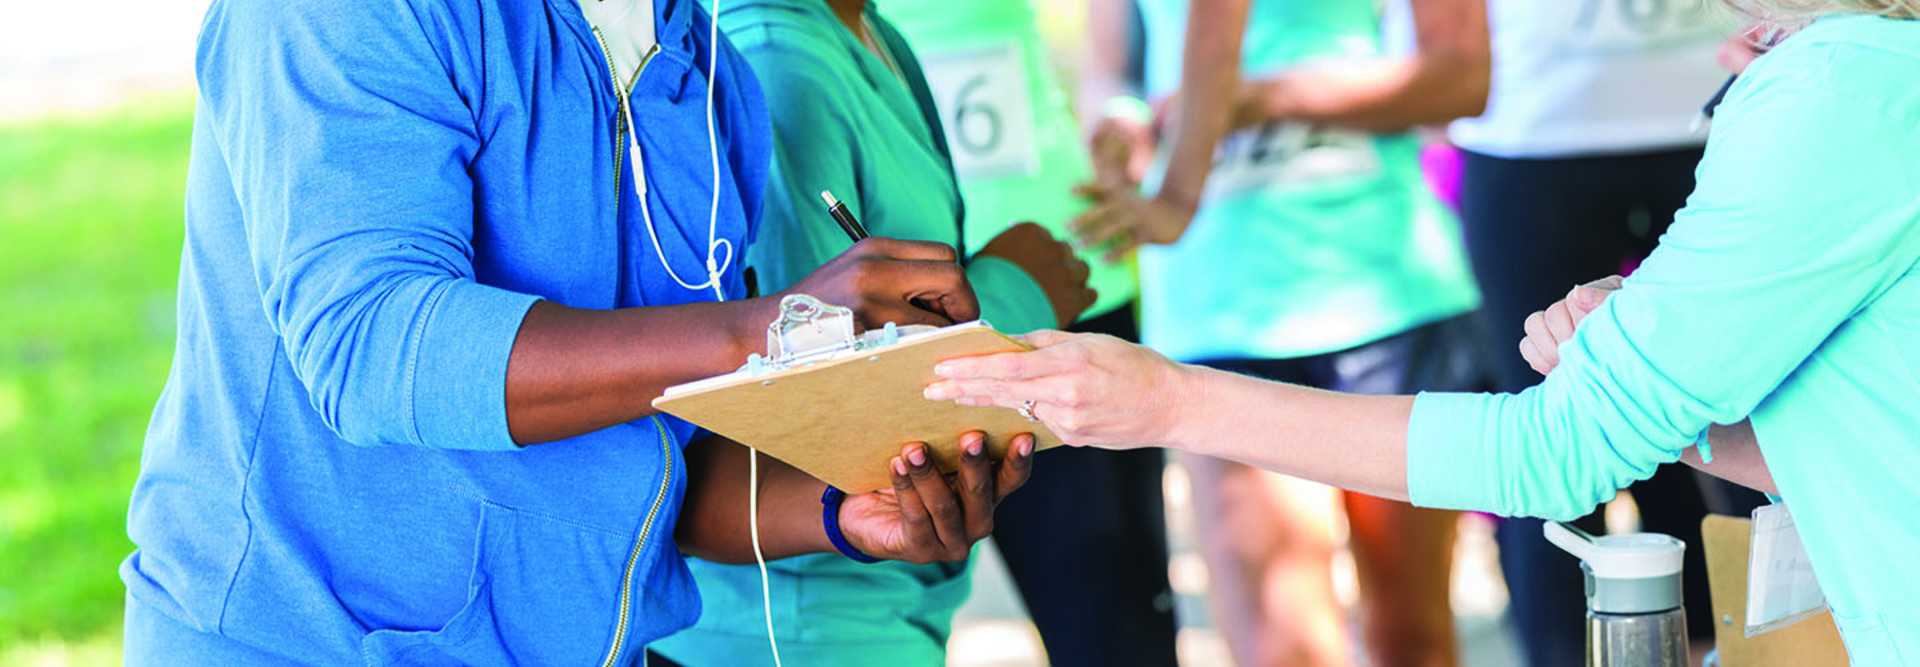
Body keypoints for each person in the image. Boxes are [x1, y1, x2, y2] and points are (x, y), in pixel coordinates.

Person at [929, 3, 1920, 662]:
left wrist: (1164, 397)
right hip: (1227, 300)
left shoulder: (1839, 90)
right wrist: (1662, 391)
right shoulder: (1848, 78)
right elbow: (1873, 424)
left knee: (1410, 628)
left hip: (1373, 293)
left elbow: (1553, 453)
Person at [121, 0, 1027, 663]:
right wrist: (761, 331)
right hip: (301, 642)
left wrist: (846, 510)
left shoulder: (706, 73)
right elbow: (371, 341)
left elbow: (653, 458)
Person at [648, 0, 1094, 664]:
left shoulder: (870, 31)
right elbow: (806, 404)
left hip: (897, 601)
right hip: (798, 625)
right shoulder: (780, 59)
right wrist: (1016, 292)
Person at [1072, 0, 1490, 664]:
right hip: (1218, 310)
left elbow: (1463, 78)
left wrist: (1265, 99)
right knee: (1280, 648)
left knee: (1413, 639)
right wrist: (1122, 124)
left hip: (1386, 293)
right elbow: (1110, 68)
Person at [1411, 1, 1771, 662]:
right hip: (1532, 137)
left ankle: (1748, 643)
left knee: (1746, 413)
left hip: (1716, 114)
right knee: (1548, 436)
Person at [879, 1, 1182, 663]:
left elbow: (1119, 41)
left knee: (1113, 633)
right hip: (879, 319)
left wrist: (1126, 110)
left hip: (1061, 286)